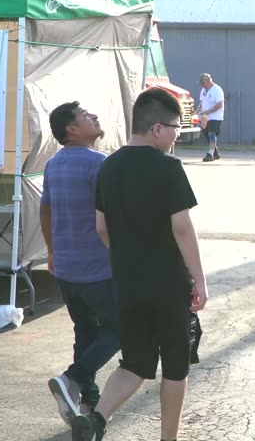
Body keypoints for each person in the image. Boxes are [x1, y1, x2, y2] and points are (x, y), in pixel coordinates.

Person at [71, 88, 209, 441]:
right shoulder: (168, 168)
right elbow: (182, 228)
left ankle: (97, 419)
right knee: (175, 367)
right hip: (168, 284)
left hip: (128, 283)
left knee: (134, 363)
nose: (179, 134)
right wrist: (199, 280)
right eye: (177, 127)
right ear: (157, 129)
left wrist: (129, 254)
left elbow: (102, 227)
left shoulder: (109, 166)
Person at [41, 102, 118, 424]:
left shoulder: (53, 165)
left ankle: (88, 401)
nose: (95, 117)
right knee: (120, 329)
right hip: (99, 267)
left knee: (85, 331)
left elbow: (45, 210)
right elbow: (113, 217)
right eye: (87, 116)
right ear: (72, 130)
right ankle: (73, 378)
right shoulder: (100, 163)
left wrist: (52, 250)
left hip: (67, 268)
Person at [198, 73, 225, 162]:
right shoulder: (203, 90)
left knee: (212, 134)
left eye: (203, 83)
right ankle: (215, 153)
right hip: (206, 118)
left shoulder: (217, 90)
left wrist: (209, 111)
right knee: (206, 135)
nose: (202, 85)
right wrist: (196, 112)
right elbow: (202, 103)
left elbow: (220, 104)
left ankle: (210, 154)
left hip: (215, 117)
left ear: (208, 81)